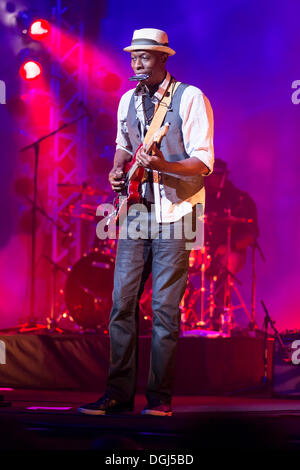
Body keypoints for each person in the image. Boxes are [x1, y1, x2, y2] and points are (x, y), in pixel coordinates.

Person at [78, 28, 214, 416]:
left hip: (179, 213)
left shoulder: (189, 98)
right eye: (134, 56)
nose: (137, 62)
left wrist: (164, 165)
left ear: (164, 59)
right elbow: (124, 146)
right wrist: (116, 172)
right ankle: (117, 396)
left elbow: (202, 163)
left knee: (165, 310)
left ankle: (159, 400)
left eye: (146, 56)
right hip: (138, 211)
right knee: (121, 304)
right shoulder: (126, 101)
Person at [204, 158, 259, 329]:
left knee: (224, 266)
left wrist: (229, 247)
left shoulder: (239, 200)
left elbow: (252, 234)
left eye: (210, 176)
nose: (207, 180)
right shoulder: (202, 198)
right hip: (204, 252)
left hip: (232, 251)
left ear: (221, 176)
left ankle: (220, 316)